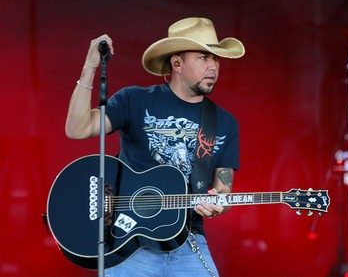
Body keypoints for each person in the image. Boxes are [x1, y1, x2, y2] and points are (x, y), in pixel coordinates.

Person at [66, 17, 245, 277]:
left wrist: (219, 203)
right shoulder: (135, 100)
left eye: (216, 59)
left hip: (187, 241)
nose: (213, 67)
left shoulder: (224, 123)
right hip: (128, 240)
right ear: (177, 63)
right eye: (204, 57)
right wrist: (90, 67)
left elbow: (223, 189)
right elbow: (77, 128)